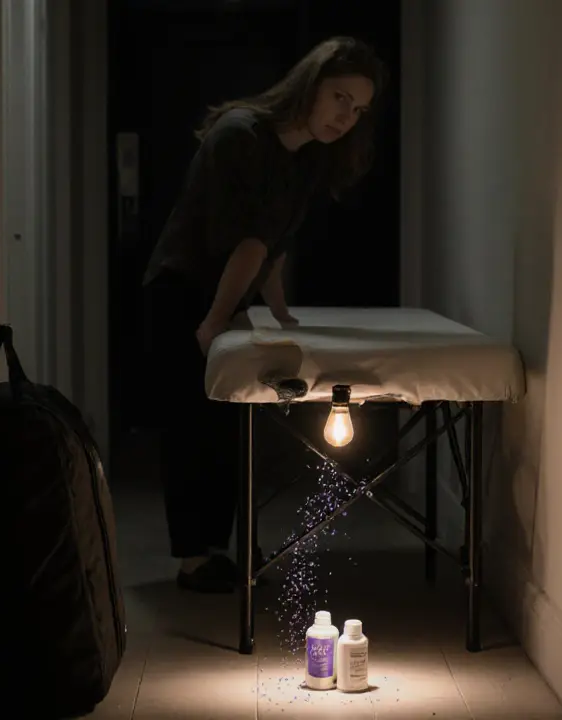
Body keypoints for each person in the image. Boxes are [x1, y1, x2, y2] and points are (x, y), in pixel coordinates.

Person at [142, 36, 389, 593]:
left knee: (227, 425)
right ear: (311, 84)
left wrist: (277, 311)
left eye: (359, 109)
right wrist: (213, 321)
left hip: (225, 294)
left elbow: (271, 245)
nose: (347, 117)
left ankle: (222, 548)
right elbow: (247, 241)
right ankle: (193, 560)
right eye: (340, 98)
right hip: (183, 290)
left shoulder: (301, 157)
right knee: (190, 427)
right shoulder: (241, 137)